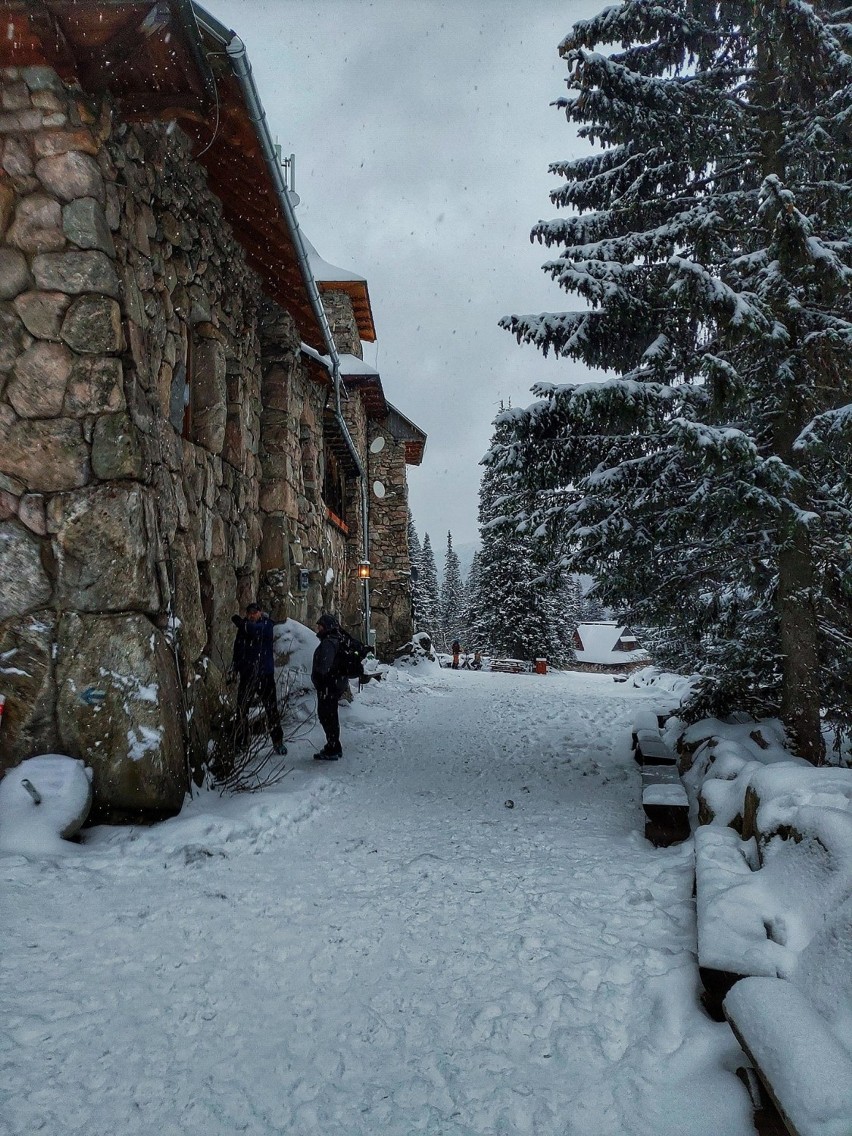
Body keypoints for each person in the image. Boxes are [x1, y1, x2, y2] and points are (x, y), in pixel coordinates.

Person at [229, 602, 286, 755]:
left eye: (254, 612)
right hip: (247, 674)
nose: (251, 615)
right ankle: (242, 742)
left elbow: (257, 631)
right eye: (249, 613)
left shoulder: (267, 625)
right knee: (242, 709)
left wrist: (243, 625)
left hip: (264, 674)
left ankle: (278, 741)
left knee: (271, 709)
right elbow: (238, 649)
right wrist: (234, 668)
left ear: (260, 612)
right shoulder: (244, 627)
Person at [311, 613, 347, 760]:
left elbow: (324, 666)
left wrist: (319, 679)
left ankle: (333, 746)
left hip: (328, 685)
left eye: (320, 626)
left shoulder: (328, 643)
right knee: (330, 715)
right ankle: (333, 745)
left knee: (326, 715)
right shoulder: (336, 639)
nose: (318, 629)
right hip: (335, 684)